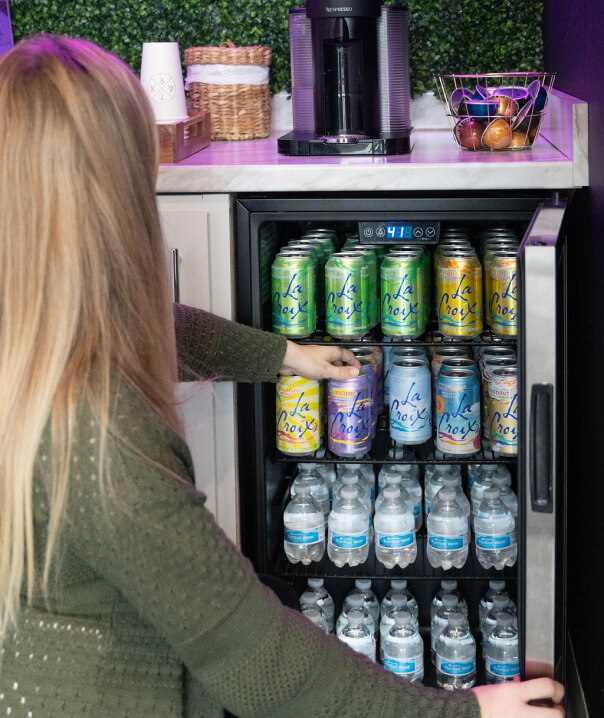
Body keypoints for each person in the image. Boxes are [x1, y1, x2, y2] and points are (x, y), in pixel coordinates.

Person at [0, 34, 564, 718]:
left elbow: (143, 322)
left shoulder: (29, 330)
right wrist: (462, 712)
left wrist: (282, 356)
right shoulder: (101, 438)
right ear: (115, 194)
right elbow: (252, 654)